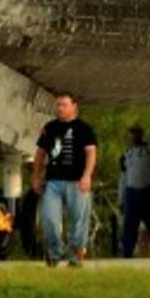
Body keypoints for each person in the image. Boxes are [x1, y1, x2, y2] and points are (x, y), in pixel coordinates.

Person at [32, 92, 97, 267]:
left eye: (64, 105)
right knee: (49, 218)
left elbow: (91, 153)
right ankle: (55, 252)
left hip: (76, 181)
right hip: (53, 181)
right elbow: (40, 154)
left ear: (74, 106)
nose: (60, 108)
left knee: (78, 220)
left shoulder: (84, 128)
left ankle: (76, 255)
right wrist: (36, 177)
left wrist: (87, 176)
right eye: (58, 105)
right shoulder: (50, 127)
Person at [119, 125, 150, 258]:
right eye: (131, 135)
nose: (133, 137)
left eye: (135, 134)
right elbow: (123, 176)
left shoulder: (149, 151)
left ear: (141, 135)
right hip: (131, 193)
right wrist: (121, 198)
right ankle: (126, 255)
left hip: (147, 192)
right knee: (129, 227)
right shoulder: (126, 153)